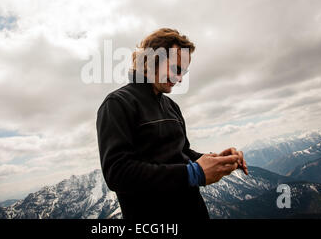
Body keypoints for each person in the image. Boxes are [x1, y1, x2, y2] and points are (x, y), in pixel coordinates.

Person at [96, 28, 248, 220]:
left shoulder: (171, 106)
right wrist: (192, 174)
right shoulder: (117, 104)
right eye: (176, 69)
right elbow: (117, 173)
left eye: (183, 72)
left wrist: (216, 160)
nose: (180, 78)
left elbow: (183, 154)